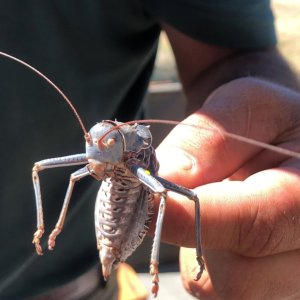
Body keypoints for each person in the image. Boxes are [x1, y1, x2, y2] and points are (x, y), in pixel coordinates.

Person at [0, 1, 299, 299]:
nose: (94, 155)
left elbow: (232, 54)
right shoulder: (99, 148)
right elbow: (70, 171)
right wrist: (49, 228)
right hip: (83, 243)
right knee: (51, 169)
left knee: (184, 198)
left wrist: (270, 123)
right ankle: (48, 231)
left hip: (74, 284)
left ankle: (156, 263)